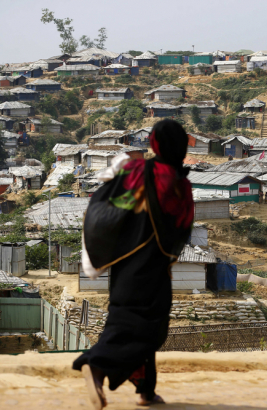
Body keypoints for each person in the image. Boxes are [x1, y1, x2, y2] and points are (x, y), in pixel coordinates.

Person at [74, 119, 194, 409]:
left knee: (124, 321)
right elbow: (183, 228)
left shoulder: (135, 170)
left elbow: (108, 195)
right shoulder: (179, 184)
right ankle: (97, 365)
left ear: (154, 144)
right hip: (154, 267)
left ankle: (145, 390)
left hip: (125, 262)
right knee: (149, 329)